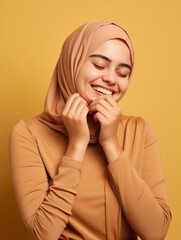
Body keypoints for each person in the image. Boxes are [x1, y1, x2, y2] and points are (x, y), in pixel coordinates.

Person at [9, 20, 172, 240]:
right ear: (72, 62)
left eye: (122, 73)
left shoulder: (140, 132)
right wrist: (76, 145)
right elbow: (43, 235)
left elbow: (156, 232)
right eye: (98, 65)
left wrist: (112, 145)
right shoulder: (29, 133)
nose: (111, 79)